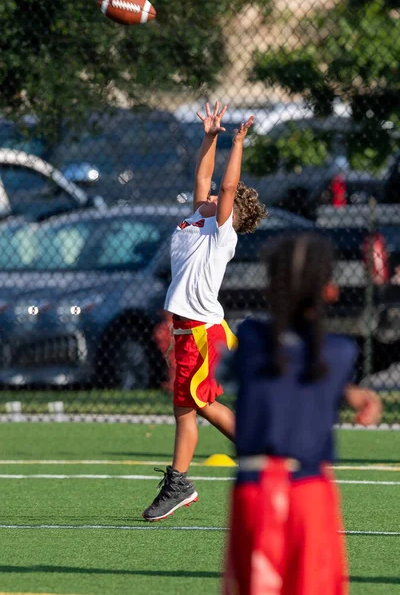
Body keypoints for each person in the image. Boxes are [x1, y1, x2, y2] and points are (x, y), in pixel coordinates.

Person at [221, 233, 382, 595]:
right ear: (329, 291)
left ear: (269, 289)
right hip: (310, 492)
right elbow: (303, 366)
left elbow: (277, 367)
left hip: (254, 489)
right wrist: (348, 391)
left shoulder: (250, 339)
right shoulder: (340, 353)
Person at [142, 102, 268, 522]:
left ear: (233, 214)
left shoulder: (221, 232)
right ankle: (186, 479)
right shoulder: (199, 216)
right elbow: (202, 176)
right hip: (186, 329)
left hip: (203, 331)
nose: (212, 193)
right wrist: (210, 137)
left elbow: (228, 188)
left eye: (219, 196)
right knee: (188, 406)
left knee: (197, 404)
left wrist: (237, 143)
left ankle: (194, 476)